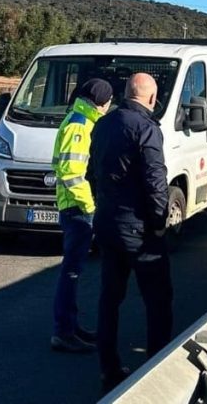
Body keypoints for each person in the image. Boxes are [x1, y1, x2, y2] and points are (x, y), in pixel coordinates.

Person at [89, 73, 173, 394]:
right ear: (151, 99)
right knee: (158, 300)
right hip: (139, 230)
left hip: (108, 224)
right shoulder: (147, 129)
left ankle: (108, 370)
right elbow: (156, 183)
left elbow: (91, 173)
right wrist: (159, 223)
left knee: (110, 299)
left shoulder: (104, 125)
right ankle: (157, 371)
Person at [50, 78, 113, 354]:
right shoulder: (79, 125)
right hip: (77, 209)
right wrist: (90, 208)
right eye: (109, 102)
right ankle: (64, 331)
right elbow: (72, 174)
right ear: (102, 102)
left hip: (75, 208)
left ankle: (72, 327)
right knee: (71, 273)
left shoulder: (82, 120)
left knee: (73, 271)